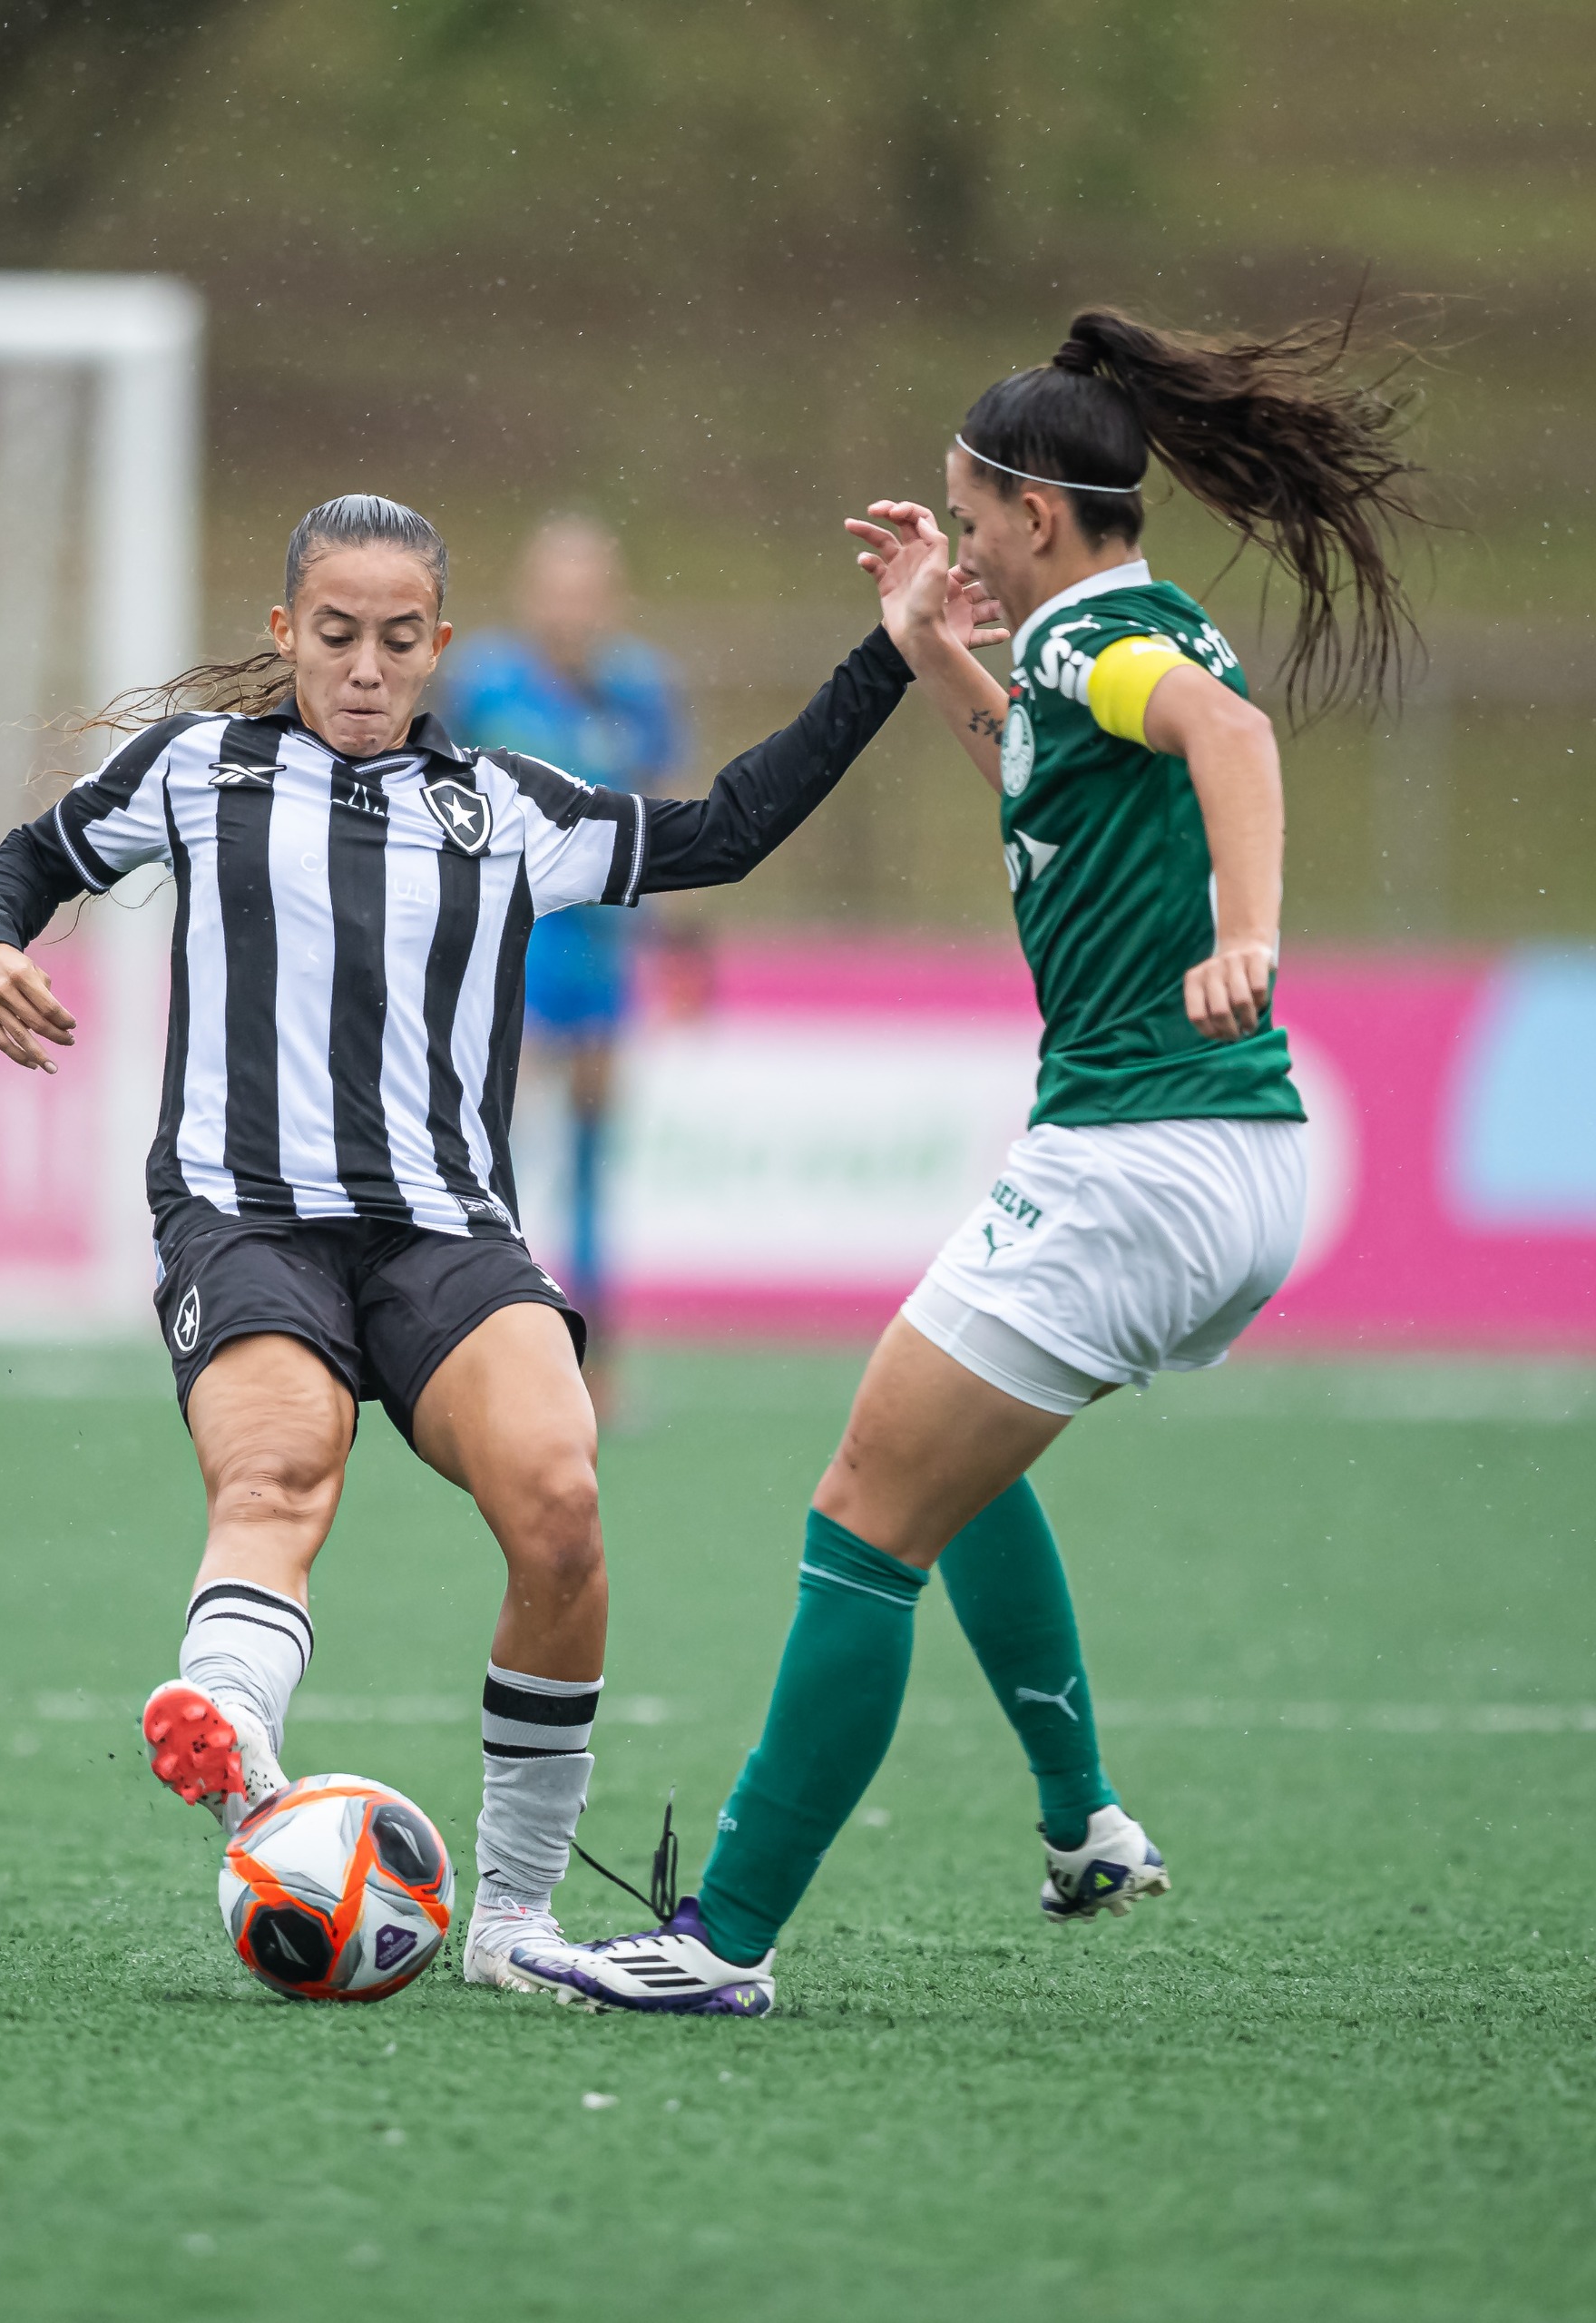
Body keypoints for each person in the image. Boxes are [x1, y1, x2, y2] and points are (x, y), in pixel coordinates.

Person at [537, 306, 1427, 2015]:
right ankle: (1080, 1817)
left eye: (963, 518)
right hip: (1218, 1158)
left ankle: (718, 1943)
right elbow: (1039, 760)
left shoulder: (1104, 643)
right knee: (952, 1461)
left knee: (861, 1517)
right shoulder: (1101, 639)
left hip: (1139, 1153)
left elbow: (1223, 746)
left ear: (1032, 513)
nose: (955, 547)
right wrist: (922, 642)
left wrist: (1246, 933)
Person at [0, 494, 914, 1997]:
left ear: (440, 649)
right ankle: (230, 1728)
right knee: (277, 1472)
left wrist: (893, 652)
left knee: (560, 1500)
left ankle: (515, 1922)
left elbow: (724, 831)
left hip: (444, 1235)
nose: (362, 667)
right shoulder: (198, 771)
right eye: (333, 636)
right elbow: (36, 853)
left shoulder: (505, 805)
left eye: (397, 641)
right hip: (243, 1212)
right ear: (286, 635)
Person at [440, 518, 685, 1381]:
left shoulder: (641, 690)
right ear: (527, 594)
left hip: (597, 949)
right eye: (555, 589)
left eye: (586, 591)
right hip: (508, 942)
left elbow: (655, 814)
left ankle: (595, 1358)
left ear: (610, 600)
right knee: (487, 1143)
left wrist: (655, 939)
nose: (569, 609)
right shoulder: (482, 683)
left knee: (588, 1155)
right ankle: (483, 1337)